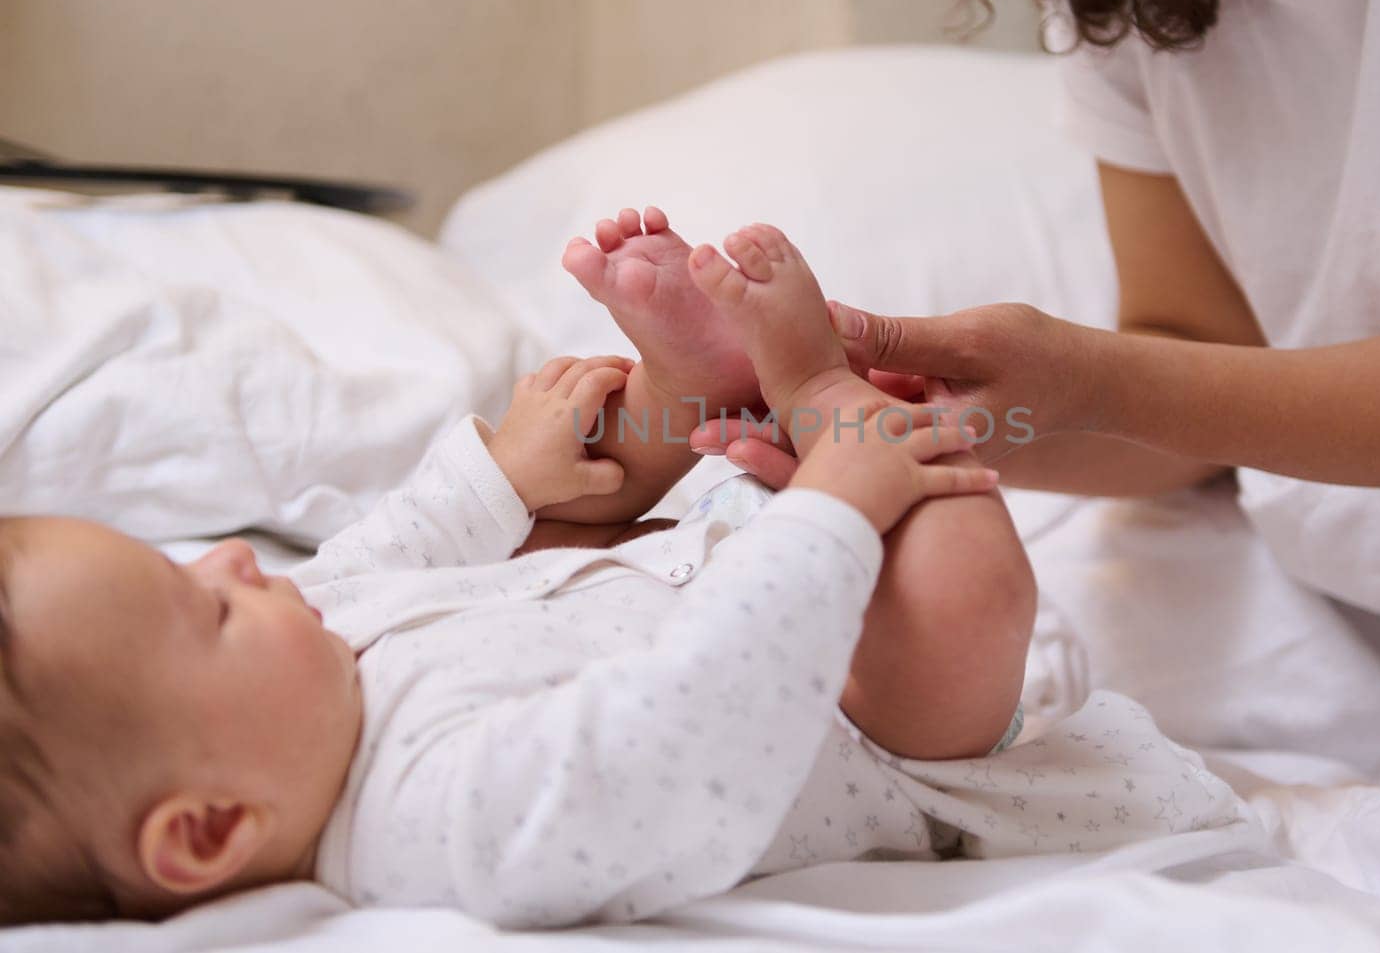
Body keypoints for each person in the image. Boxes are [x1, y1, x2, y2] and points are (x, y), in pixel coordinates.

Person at [0, 209, 1247, 927]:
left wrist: (499, 479)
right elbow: (681, 738)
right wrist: (830, 508)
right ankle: (816, 392)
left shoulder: (294, 670)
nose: (228, 560)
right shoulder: (444, 826)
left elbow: (374, 554)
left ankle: (679, 397)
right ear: (209, 830)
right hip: (868, 722)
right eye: (203, 609)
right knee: (964, 596)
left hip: (689, 573)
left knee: (564, 518)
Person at [695, 0, 1380, 872]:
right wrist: (944, 420)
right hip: (1333, 545)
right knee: (929, 700)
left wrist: (1097, 381)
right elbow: (1195, 358)